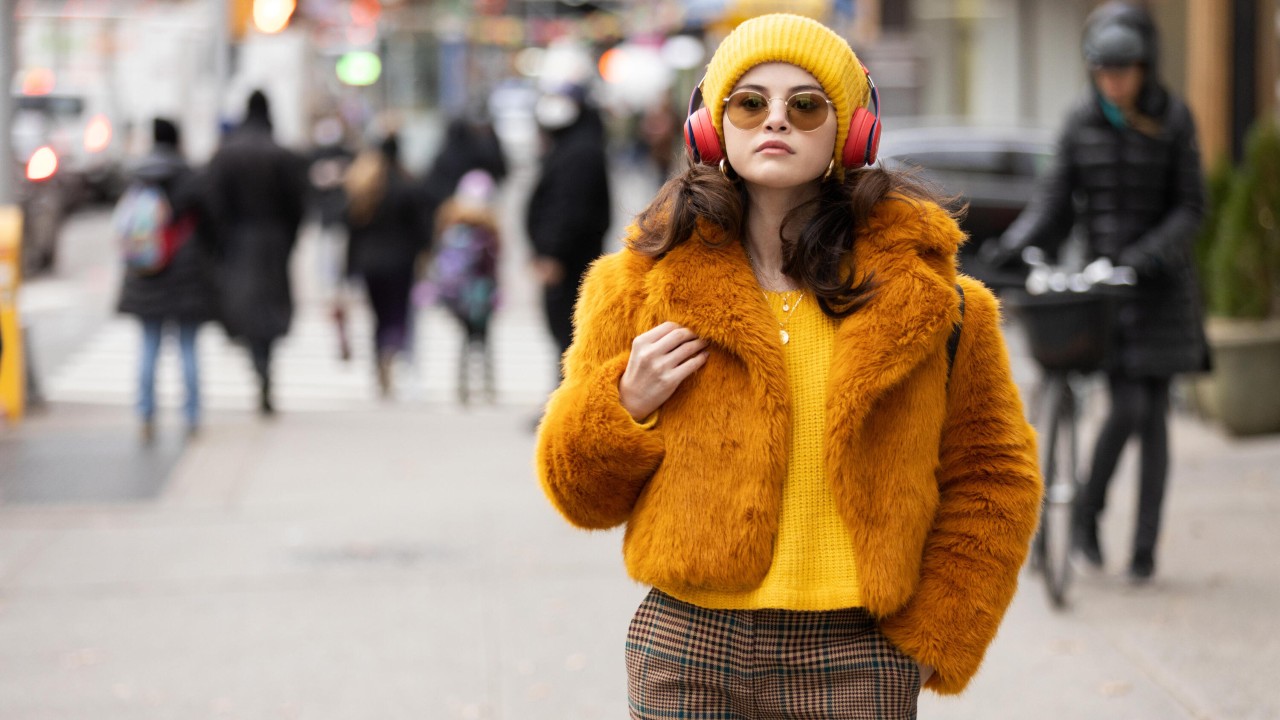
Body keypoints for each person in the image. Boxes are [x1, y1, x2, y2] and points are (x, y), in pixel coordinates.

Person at [534, 13, 1042, 717]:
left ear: (850, 132)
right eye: (750, 102)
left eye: (805, 105)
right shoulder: (637, 287)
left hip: (856, 653)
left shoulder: (942, 305)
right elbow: (579, 494)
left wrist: (935, 634)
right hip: (688, 646)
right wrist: (622, 405)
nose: (776, 120)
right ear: (712, 127)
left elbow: (995, 477)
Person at [989, 2, 1209, 583]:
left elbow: (1191, 208)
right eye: (1104, 72)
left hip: (1160, 291)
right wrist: (1015, 243)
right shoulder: (1081, 122)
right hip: (1104, 293)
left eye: (1124, 71)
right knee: (1129, 407)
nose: (1114, 83)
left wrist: (1143, 258)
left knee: (1151, 412)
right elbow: (1053, 203)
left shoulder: (1174, 120)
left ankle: (1142, 547)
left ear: (1145, 67)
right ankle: (1088, 510)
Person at [204, 90, 308, 416]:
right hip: (273, 241)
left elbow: (212, 203)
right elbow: (298, 206)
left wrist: (220, 243)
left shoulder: (226, 154)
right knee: (270, 309)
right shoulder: (282, 155)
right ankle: (265, 364)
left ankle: (258, 364)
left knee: (245, 308)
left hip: (239, 242)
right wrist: (288, 240)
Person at [115, 118, 217, 441]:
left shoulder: (138, 177)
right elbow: (210, 226)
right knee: (187, 346)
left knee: (149, 346)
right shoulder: (191, 177)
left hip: (147, 274)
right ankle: (191, 416)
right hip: (186, 275)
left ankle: (145, 414)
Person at [525, 84, 611, 379]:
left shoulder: (581, 152)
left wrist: (552, 252)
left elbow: (568, 208)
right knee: (566, 335)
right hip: (570, 258)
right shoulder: (574, 147)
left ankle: (571, 405)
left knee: (569, 332)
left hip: (571, 261)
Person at [343, 133, 430, 398]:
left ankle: (380, 356)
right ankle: (391, 349)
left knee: (377, 316)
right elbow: (421, 228)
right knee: (397, 313)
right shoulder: (407, 186)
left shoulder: (365, 186)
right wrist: (425, 255)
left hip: (369, 263)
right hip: (401, 261)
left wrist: (348, 268)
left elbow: (352, 231)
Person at [426, 169, 501, 405]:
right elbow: (492, 264)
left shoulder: (450, 223)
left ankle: (461, 386)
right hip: (481, 294)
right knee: (483, 340)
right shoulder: (488, 229)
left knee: (463, 340)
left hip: (457, 295)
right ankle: (488, 387)